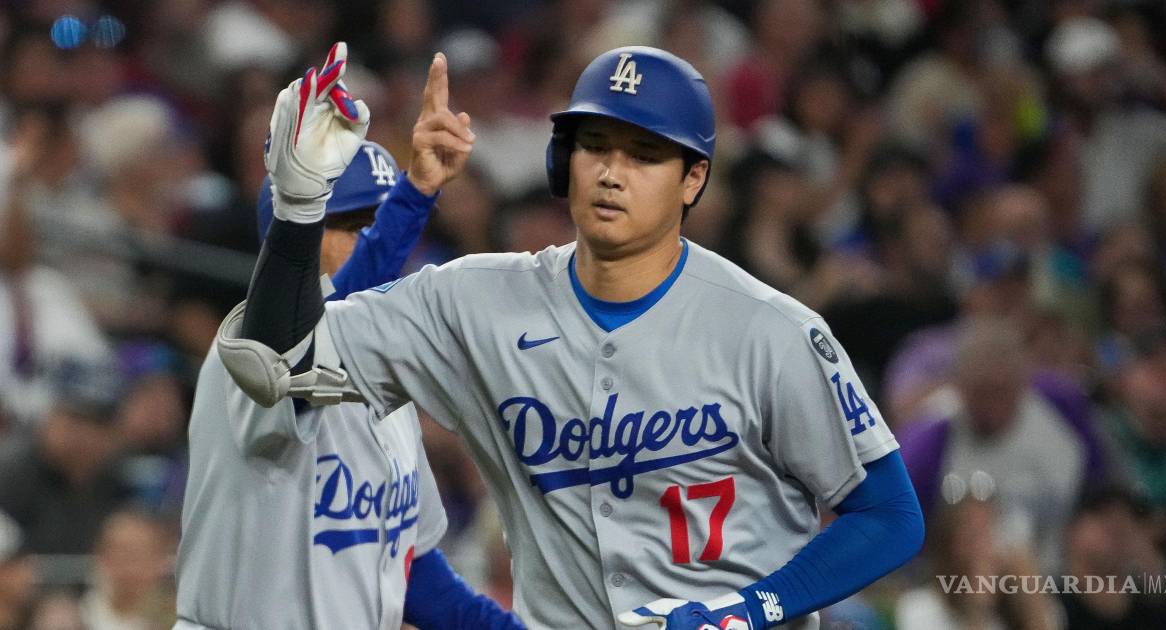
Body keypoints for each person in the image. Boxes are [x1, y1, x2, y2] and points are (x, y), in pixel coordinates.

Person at [219, 44, 924, 629]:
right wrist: (299, 207)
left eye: (644, 154)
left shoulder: (770, 329)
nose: (612, 173)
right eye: (595, 146)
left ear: (693, 179)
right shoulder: (471, 303)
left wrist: (750, 607)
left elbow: (890, 514)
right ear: (564, 161)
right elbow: (282, 362)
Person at [173, 44, 523, 630]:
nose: (375, 240)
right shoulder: (249, 354)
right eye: (352, 224)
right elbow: (319, 333)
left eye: (381, 223)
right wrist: (405, 198)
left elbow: (416, 573)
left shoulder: (386, 381)